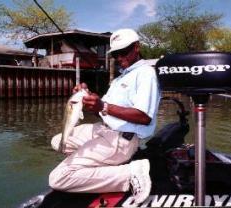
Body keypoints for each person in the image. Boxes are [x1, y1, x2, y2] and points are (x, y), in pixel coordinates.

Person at [49, 28, 161, 204]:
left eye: (123, 52)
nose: (119, 58)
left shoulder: (146, 73)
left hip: (122, 139)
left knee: (58, 178)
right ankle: (98, 169)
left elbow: (144, 117)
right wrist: (87, 97)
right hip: (104, 130)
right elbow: (102, 111)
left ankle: (130, 174)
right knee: (58, 141)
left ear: (137, 47)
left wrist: (104, 106)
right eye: (115, 54)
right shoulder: (119, 79)